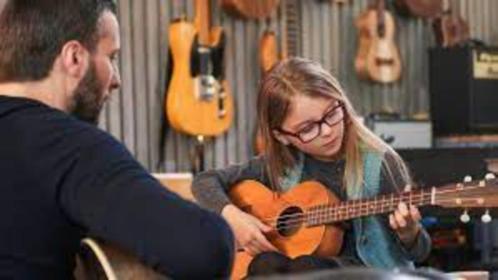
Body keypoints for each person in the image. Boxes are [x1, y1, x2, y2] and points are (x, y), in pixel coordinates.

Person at [0, 0, 234, 278]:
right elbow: (205, 249)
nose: (117, 79)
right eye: (111, 57)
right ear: (74, 57)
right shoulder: (71, 147)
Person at [192, 57, 431, 277]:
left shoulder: (379, 164)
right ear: (282, 136)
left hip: (368, 273)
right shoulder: (283, 164)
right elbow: (203, 182)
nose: (327, 131)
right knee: (263, 265)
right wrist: (234, 218)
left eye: (332, 113)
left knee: (306, 268)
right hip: (300, 270)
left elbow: (420, 253)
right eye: (308, 128)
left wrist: (409, 233)